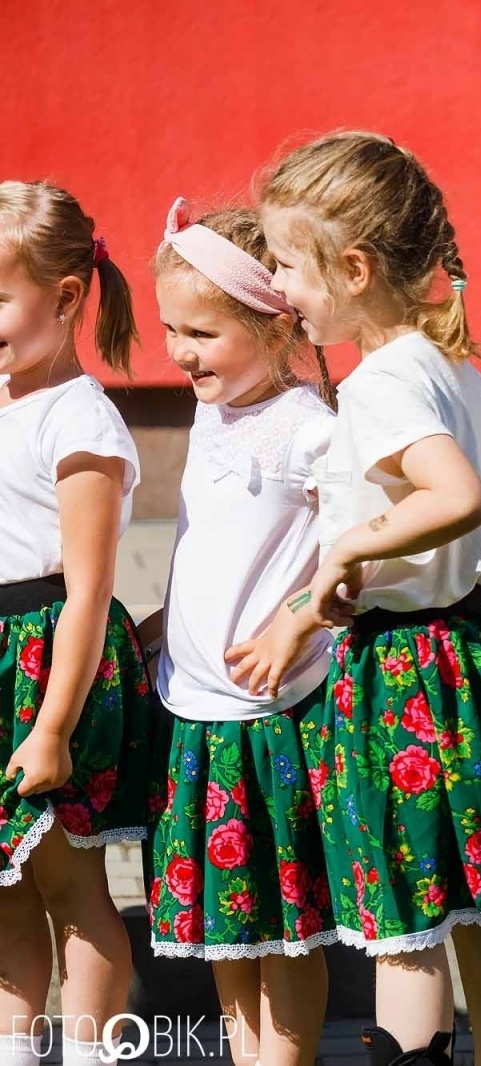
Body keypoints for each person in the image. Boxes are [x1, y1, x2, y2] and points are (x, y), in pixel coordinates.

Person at [231, 131, 481, 1066]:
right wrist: (453, 559)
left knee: (407, 917)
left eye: (289, 267)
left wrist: (355, 549)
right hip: (473, 643)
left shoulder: (383, 381)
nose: (279, 287)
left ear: (352, 269)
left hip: (406, 672)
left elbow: (458, 493)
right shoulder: (442, 356)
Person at [143, 198, 338, 1065]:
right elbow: (215, 542)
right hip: (195, 710)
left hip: (269, 718)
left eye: (201, 334)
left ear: (272, 321)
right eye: (171, 331)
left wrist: (295, 622)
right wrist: (164, 621)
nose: (180, 352)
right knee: (225, 924)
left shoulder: (310, 429)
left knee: (282, 924)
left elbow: (359, 550)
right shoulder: (213, 412)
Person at [0, 181, 154, 1066]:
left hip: (48, 666)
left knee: (68, 886)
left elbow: (87, 593)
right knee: (7, 890)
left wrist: (53, 725)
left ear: (64, 299)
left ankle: (94, 1054)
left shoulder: (79, 422)